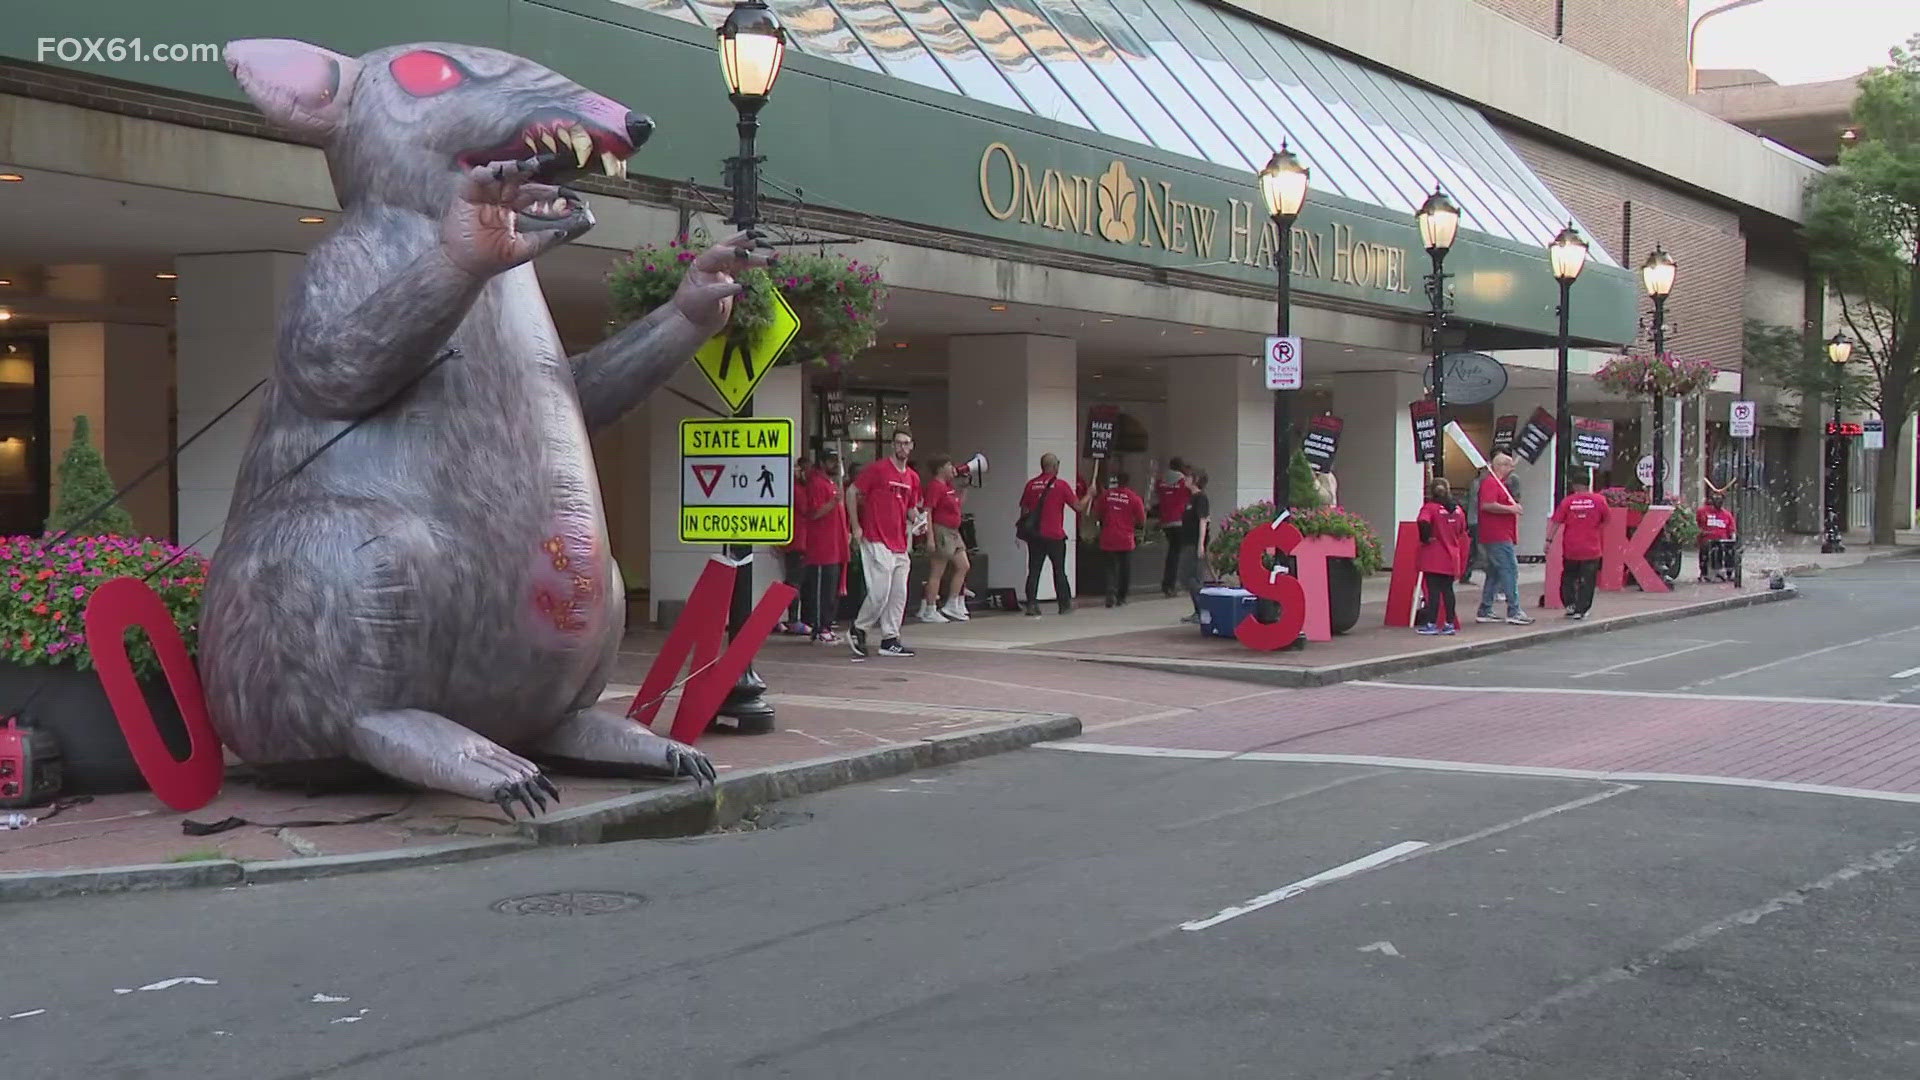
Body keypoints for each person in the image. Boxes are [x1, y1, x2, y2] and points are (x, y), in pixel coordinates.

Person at [844, 427, 920, 660]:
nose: (902, 447)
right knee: (880, 592)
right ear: (893, 445)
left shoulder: (912, 478)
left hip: (899, 541)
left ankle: (890, 638)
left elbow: (910, 508)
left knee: (899, 593)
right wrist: (855, 526)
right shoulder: (878, 470)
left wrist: (919, 520)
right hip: (876, 537)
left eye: (906, 443)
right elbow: (852, 491)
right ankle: (859, 628)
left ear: (911, 446)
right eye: (898, 443)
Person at [1017, 452, 1093, 616]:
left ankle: (1031, 604)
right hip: (1055, 535)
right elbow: (1079, 507)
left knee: (1034, 570)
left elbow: (1024, 510)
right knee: (1059, 570)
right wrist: (1090, 494)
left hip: (1035, 536)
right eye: (1057, 464)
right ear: (1053, 466)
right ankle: (1064, 605)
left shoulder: (1031, 485)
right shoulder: (1061, 485)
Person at [1475, 452, 1533, 625]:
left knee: (1494, 573)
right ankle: (1513, 610)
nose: (1512, 468)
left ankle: (1485, 609)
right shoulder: (1491, 483)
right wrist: (1511, 509)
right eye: (1508, 465)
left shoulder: (1498, 484)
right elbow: (1487, 505)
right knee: (1509, 570)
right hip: (1497, 535)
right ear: (1500, 466)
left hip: (1500, 533)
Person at [798, 449, 849, 645]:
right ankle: (819, 627)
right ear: (822, 462)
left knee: (830, 591)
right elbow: (814, 513)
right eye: (830, 461)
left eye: (836, 460)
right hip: (821, 548)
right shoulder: (817, 484)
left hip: (834, 545)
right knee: (821, 591)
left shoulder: (831, 484)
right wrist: (832, 502)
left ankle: (826, 625)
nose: (835, 464)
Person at [916, 455, 971, 623]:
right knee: (937, 571)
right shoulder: (935, 487)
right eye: (949, 465)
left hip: (954, 532)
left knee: (963, 565)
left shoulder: (948, 487)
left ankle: (953, 603)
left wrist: (965, 488)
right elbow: (928, 512)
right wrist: (930, 537)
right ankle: (930, 608)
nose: (952, 468)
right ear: (940, 468)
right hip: (941, 530)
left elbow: (958, 505)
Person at [1546, 476, 1610, 620]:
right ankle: (1582, 608)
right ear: (1588, 484)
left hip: (1571, 547)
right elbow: (1606, 519)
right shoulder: (1599, 500)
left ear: (1575, 486)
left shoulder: (1568, 501)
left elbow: (1556, 521)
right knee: (1588, 580)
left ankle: (1570, 604)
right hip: (1591, 548)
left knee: (1568, 576)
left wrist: (1548, 540)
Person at [1414, 478, 1468, 635]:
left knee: (1433, 592)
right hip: (1452, 555)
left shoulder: (1430, 508)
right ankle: (1449, 623)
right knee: (1448, 591)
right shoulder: (1458, 509)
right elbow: (1462, 530)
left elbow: (1422, 522)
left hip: (1434, 555)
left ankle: (1431, 623)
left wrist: (1426, 538)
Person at [1095, 470, 1148, 607]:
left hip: (1108, 537)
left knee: (1110, 568)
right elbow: (1142, 520)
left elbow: (1097, 512)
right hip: (1125, 539)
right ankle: (1121, 597)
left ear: (1117, 481)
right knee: (1125, 569)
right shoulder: (1134, 498)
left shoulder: (1106, 495)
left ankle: (1110, 593)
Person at [1177, 469, 1212, 624]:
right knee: (1187, 576)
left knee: (1192, 577)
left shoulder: (1201, 499)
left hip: (1194, 543)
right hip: (1186, 542)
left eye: (1189, 477)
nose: (1185, 479)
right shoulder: (1191, 499)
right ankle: (1197, 610)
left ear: (1196, 480)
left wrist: (1201, 544)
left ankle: (1202, 609)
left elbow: (1203, 521)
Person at [1155, 458, 1193, 598]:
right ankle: (1172, 584)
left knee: (1172, 553)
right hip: (1180, 520)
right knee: (1178, 554)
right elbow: (1190, 495)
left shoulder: (1161, 482)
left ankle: (1168, 584)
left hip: (1166, 521)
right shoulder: (1184, 482)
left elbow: (1158, 496)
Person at [1697, 494, 1738, 582]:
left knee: (1729, 549)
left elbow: (1732, 530)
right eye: (1716, 499)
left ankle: (1728, 572)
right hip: (1707, 539)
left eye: (1720, 500)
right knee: (1706, 548)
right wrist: (1701, 533)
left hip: (1723, 540)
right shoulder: (1702, 511)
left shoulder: (1727, 514)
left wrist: (1732, 539)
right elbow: (1697, 525)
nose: (1718, 502)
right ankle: (1704, 573)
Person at [1461, 471, 1482, 586]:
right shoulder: (1477, 484)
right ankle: (1465, 573)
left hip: (1474, 519)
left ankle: (1466, 573)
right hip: (1475, 520)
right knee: (1474, 550)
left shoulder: (1476, 484)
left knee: (1473, 549)